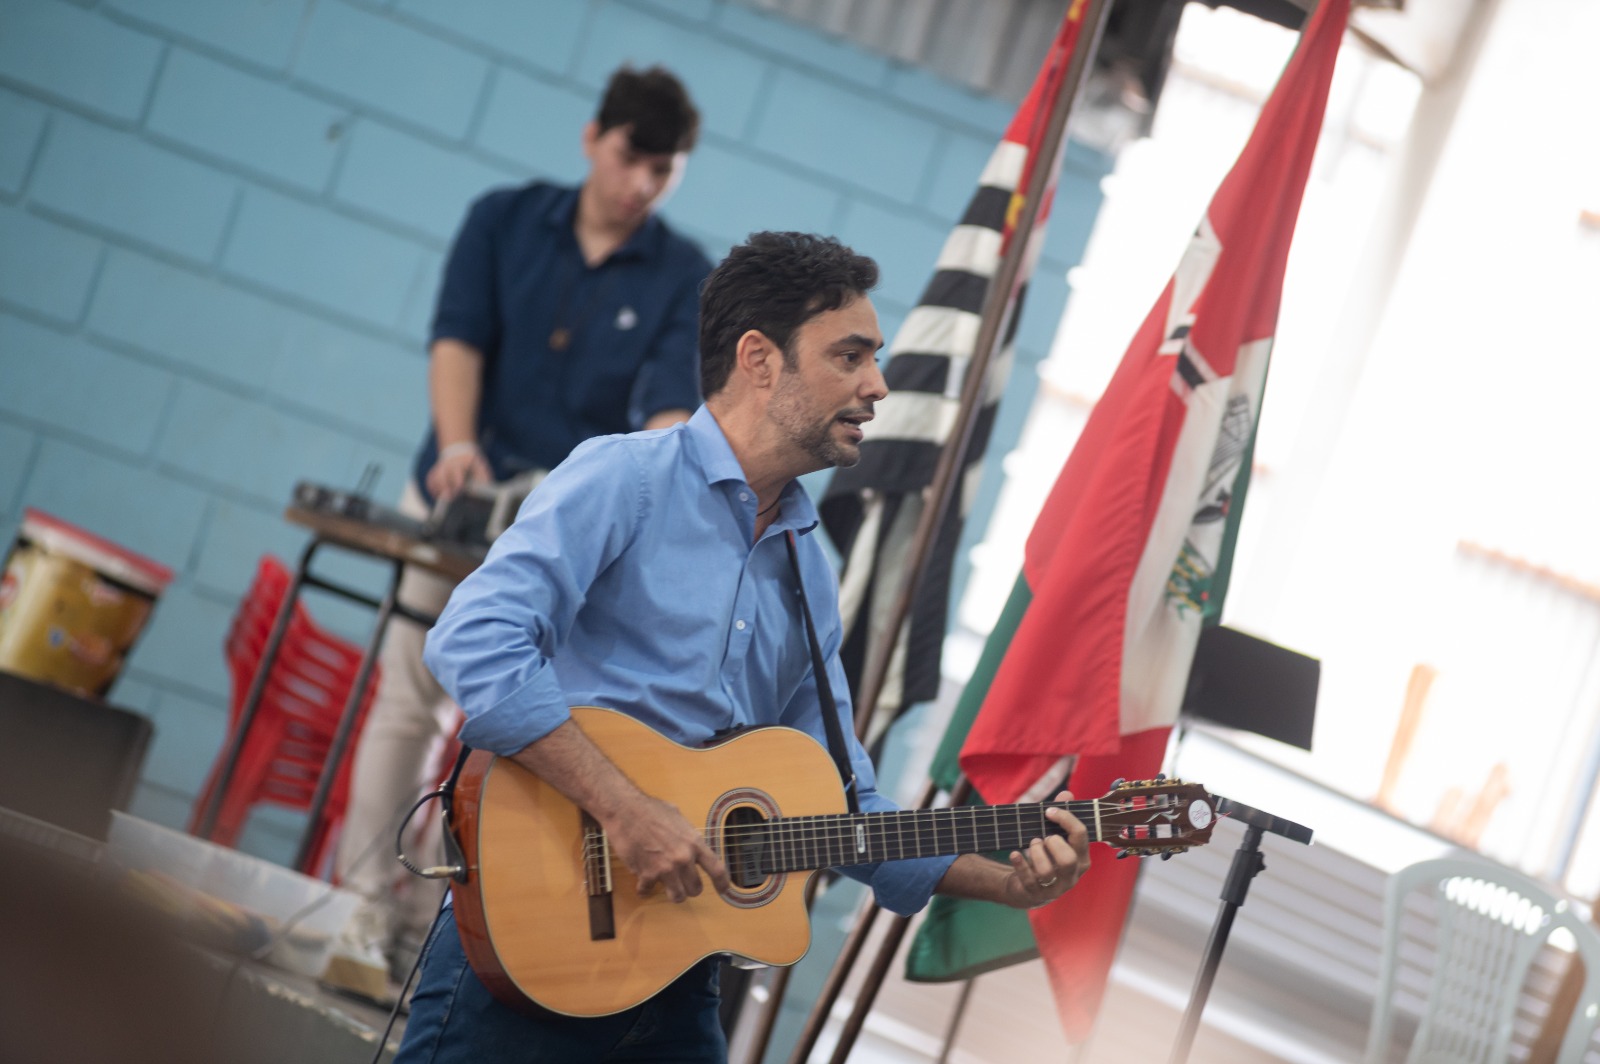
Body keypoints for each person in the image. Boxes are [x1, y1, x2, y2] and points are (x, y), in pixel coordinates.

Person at [393, 232, 1091, 1063]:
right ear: (759, 358)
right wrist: (625, 810)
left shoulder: (810, 571)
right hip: (530, 941)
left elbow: (844, 811)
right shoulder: (625, 478)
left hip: (684, 972)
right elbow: (474, 640)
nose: (878, 385)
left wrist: (1007, 878)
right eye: (851, 356)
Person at [329, 63, 712, 990]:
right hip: (458, 494)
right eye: (631, 160)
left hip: (568, 535)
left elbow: (668, 414)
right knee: (407, 700)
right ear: (593, 138)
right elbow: (457, 339)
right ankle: (357, 916)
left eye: (664, 172)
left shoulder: (684, 275)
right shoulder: (501, 219)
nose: (641, 186)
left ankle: (456, 937)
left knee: (535, 732)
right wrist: (458, 446)